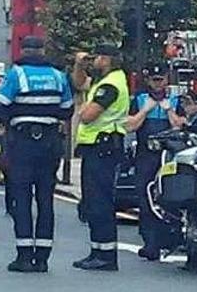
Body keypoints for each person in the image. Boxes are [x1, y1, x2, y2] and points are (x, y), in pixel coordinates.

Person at [0, 36, 74, 273]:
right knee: (45, 201)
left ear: (23, 51)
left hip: (23, 144)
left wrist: (13, 117)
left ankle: (24, 256)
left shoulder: (16, 74)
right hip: (49, 145)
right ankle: (43, 258)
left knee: (22, 199)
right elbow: (67, 110)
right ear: (43, 51)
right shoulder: (58, 76)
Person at [71, 43, 129, 271]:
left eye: (96, 57)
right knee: (93, 202)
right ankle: (97, 251)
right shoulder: (102, 82)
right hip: (96, 148)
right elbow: (79, 83)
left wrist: (83, 108)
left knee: (100, 203)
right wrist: (79, 64)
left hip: (103, 148)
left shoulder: (111, 85)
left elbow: (87, 116)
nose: (93, 61)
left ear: (106, 59)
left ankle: (105, 256)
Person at [126, 63, 185, 261]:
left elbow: (180, 126)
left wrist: (169, 110)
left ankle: (171, 238)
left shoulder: (177, 100)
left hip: (170, 156)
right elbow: (131, 126)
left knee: (171, 196)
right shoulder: (140, 99)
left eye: (161, 80)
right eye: (154, 80)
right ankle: (150, 242)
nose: (158, 84)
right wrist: (145, 110)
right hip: (146, 155)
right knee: (145, 198)